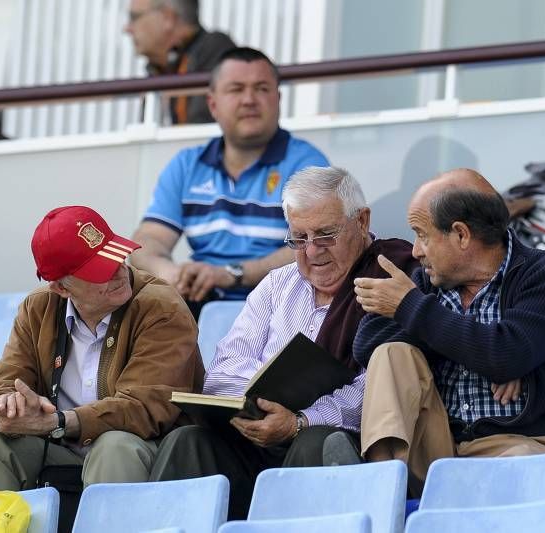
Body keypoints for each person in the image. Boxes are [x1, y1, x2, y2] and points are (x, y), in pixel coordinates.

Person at [149, 166, 418, 518]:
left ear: (362, 221)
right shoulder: (278, 284)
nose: (311, 252)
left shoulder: (390, 277)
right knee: (188, 442)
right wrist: (260, 407)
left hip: (339, 438)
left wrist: (300, 420)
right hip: (258, 435)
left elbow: (379, 387)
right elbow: (223, 371)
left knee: (315, 440)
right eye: (298, 238)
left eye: (325, 235)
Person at [324, 168, 545, 496]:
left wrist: (414, 311)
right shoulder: (427, 283)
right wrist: (481, 348)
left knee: (525, 467)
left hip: (518, 447)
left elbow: (506, 355)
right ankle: (380, 483)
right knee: (392, 354)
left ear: (461, 235)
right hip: (435, 451)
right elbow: (367, 345)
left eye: (422, 235)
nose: (416, 251)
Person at [0, 205, 203, 493]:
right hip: (62, 448)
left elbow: (145, 408)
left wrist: (58, 422)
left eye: (116, 257)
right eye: (100, 270)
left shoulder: (161, 306)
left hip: (149, 449)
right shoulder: (38, 307)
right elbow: (4, 380)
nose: (117, 271)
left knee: (114, 445)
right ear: (61, 288)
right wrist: (7, 405)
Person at [131, 47, 329, 318]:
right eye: (236, 89)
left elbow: (316, 247)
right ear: (213, 104)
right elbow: (147, 242)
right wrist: (175, 275)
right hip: (198, 307)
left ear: (278, 99)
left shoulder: (307, 164)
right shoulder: (187, 164)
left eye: (261, 88)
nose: (249, 100)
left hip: (281, 308)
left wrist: (231, 274)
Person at [124, 0, 235, 124]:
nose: (127, 29)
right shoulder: (159, 68)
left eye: (134, 17)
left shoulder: (215, 49)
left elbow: (201, 131)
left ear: (168, 18)